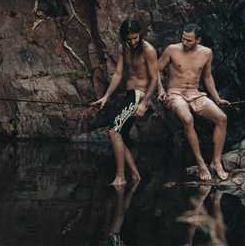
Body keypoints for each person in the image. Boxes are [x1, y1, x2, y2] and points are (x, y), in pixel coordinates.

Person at [158, 23, 229, 181]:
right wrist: (160, 90)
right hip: (175, 93)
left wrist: (217, 98)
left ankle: (216, 162)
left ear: (198, 40)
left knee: (222, 118)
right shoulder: (172, 49)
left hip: (195, 94)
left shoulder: (207, 53)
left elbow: (208, 77)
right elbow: (155, 69)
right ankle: (200, 163)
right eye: (183, 38)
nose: (184, 42)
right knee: (187, 118)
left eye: (189, 40)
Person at [92, 19, 158, 186]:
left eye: (135, 38)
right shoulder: (124, 48)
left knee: (114, 132)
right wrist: (106, 96)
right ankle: (135, 175)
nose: (133, 42)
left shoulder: (148, 50)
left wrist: (145, 102)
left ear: (140, 35)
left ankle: (120, 177)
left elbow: (155, 79)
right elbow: (119, 73)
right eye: (129, 39)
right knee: (118, 134)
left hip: (140, 94)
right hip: (129, 94)